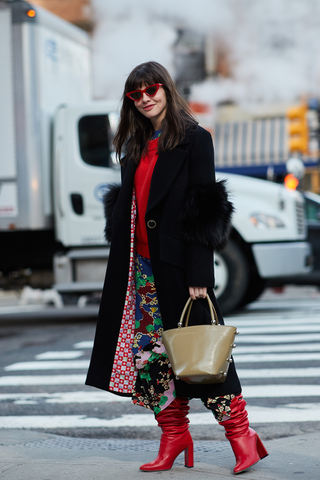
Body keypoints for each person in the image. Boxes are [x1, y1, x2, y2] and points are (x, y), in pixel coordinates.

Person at [86, 61, 268, 474]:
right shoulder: (133, 144)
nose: (145, 98)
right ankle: (173, 436)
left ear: (166, 89)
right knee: (151, 360)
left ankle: (243, 438)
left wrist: (200, 274)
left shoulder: (194, 139)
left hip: (179, 266)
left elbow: (206, 205)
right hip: (141, 269)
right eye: (136, 94)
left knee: (204, 354)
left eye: (151, 89)